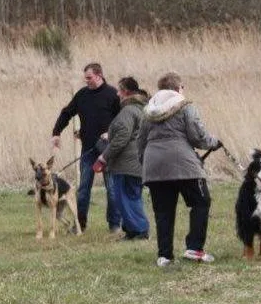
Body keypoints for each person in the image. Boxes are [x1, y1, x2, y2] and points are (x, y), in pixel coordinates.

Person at [137, 72, 221, 267]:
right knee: (201, 202)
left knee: (163, 211)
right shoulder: (185, 106)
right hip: (184, 164)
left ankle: (164, 255)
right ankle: (194, 248)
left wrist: (146, 163)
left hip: (154, 165)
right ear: (178, 88)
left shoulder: (148, 111)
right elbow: (197, 136)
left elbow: (140, 141)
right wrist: (214, 143)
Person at [50, 63, 121, 232]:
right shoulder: (82, 95)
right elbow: (67, 113)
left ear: (99, 75)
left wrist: (111, 132)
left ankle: (114, 224)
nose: (86, 81)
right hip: (88, 150)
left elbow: (122, 119)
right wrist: (56, 133)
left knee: (112, 189)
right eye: (85, 78)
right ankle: (79, 224)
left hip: (108, 150)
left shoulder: (112, 94)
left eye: (89, 78)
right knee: (83, 189)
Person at [93, 77, 150, 240]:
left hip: (126, 164)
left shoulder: (128, 110)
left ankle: (140, 230)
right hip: (137, 162)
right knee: (131, 196)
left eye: (119, 90)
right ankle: (132, 230)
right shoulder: (141, 109)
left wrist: (104, 157)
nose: (117, 93)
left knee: (125, 198)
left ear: (125, 92)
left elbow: (122, 136)